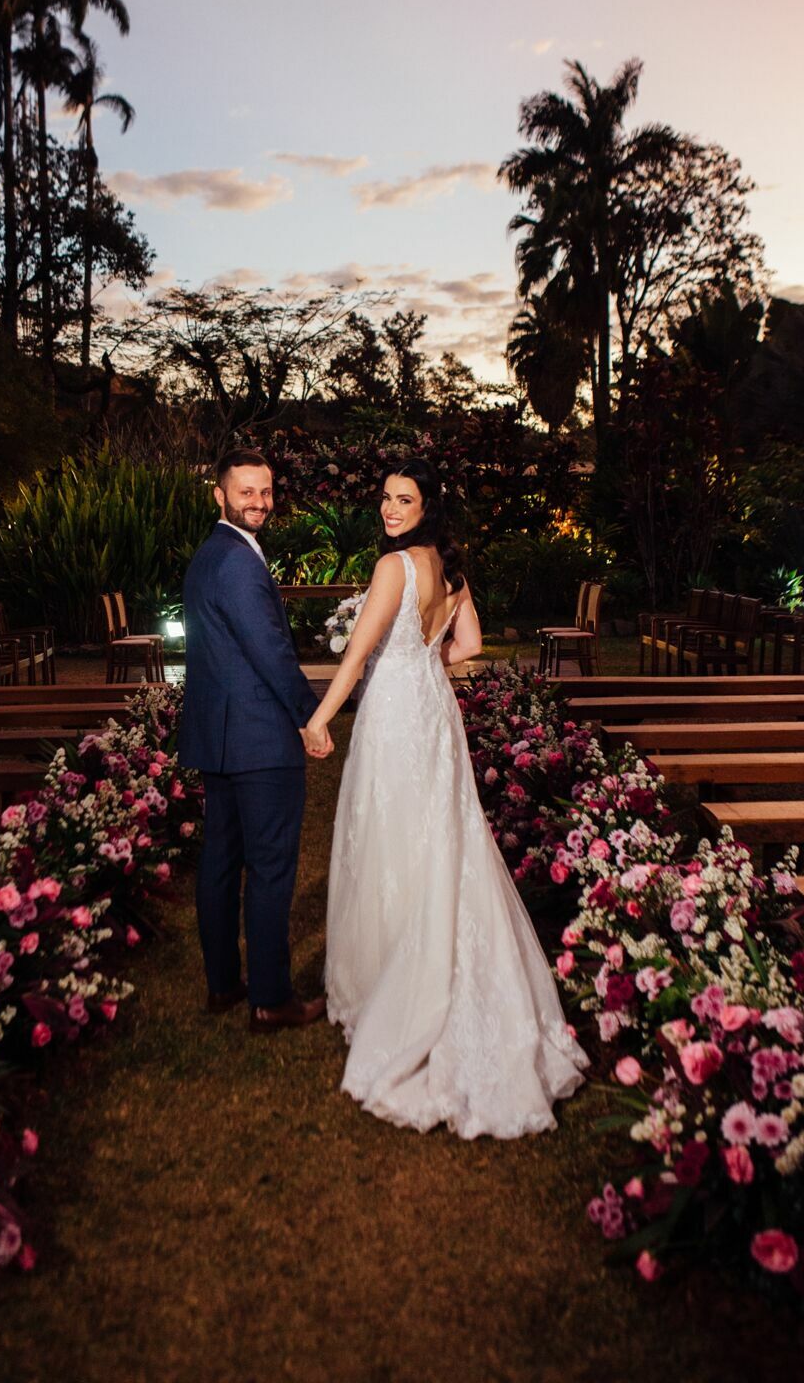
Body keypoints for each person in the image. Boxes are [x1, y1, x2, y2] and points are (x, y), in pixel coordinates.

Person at [305, 458, 589, 1140]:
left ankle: (396, 981)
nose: (389, 509)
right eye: (384, 497)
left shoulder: (391, 568)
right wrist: (426, 657)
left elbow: (356, 656)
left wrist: (321, 718)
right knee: (443, 836)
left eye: (403, 499)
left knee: (392, 838)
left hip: (398, 714)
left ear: (427, 507)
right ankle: (432, 958)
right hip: (435, 712)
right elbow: (471, 643)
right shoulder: (452, 574)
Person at [178, 449, 332, 1034]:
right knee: (269, 869)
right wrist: (308, 716)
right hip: (259, 741)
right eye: (246, 492)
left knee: (220, 862)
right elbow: (271, 650)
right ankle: (270, 998)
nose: (258, 502)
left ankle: (223, 984)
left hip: (220, 741)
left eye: (265, 492)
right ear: (220, 495)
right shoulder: (238, 561)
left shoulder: (209, 556)